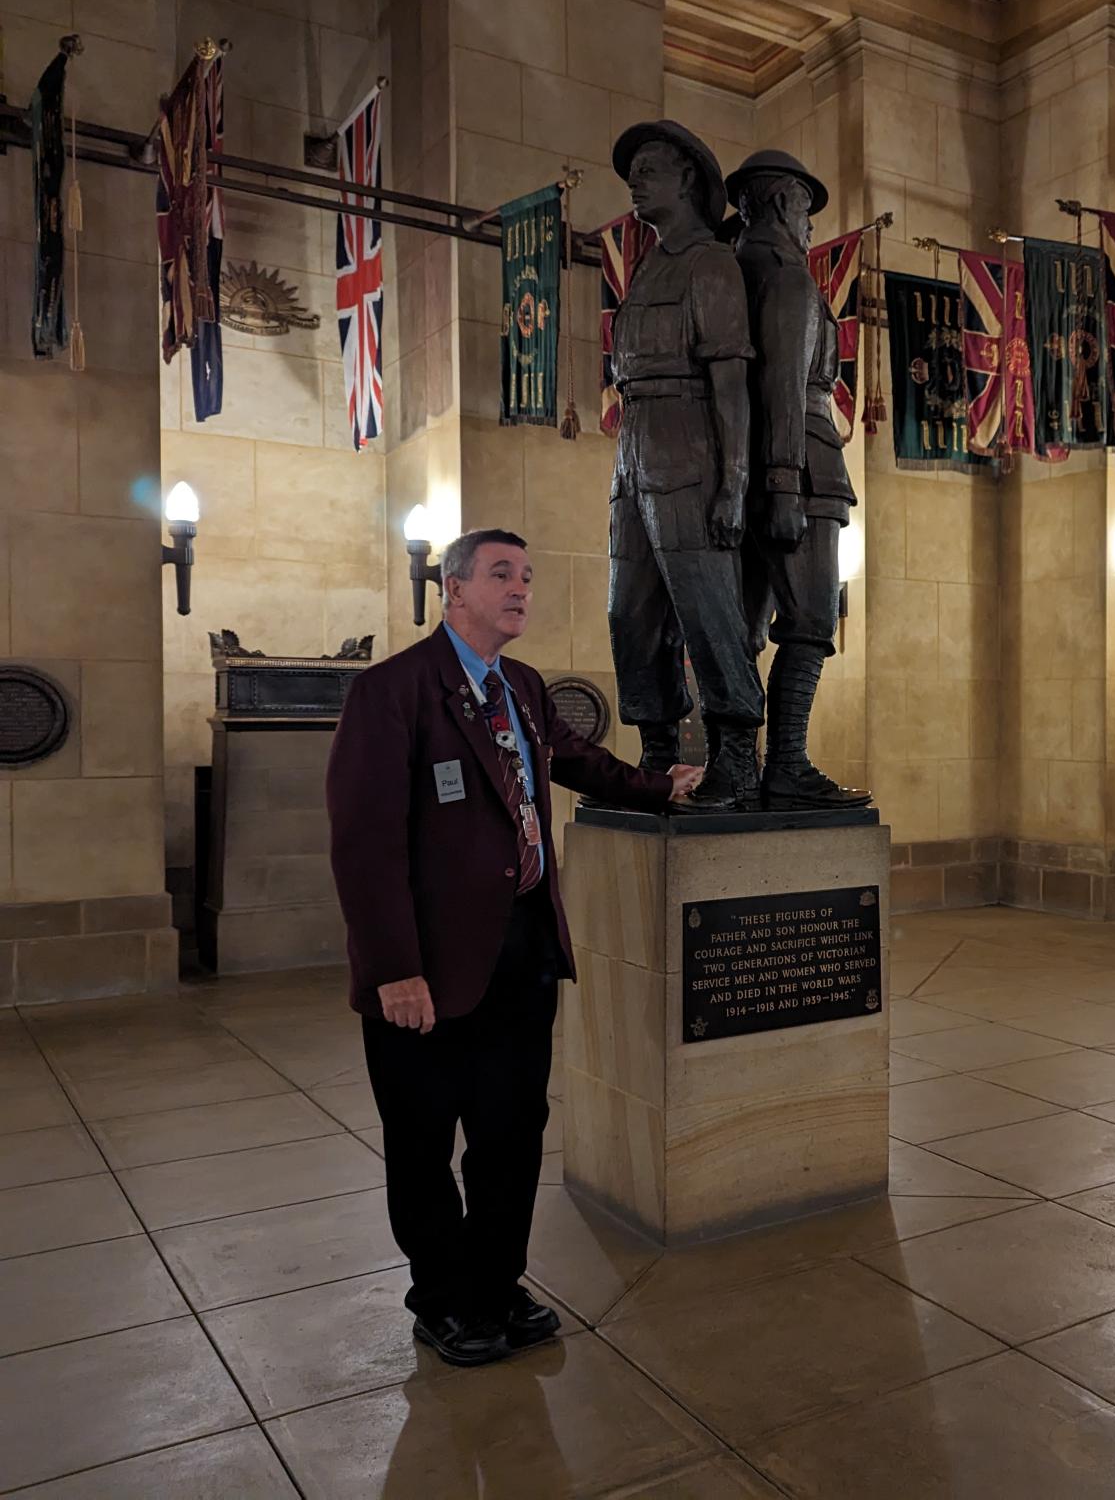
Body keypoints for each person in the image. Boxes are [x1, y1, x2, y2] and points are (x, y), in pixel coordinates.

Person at [326, 529, 700, 1367]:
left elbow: (577, 762)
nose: (521, 588)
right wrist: (394, 969)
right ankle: (442, 1296)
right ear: (453, 591)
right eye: (501, 574)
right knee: (424, 1140)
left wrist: (660, 787)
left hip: (523, 951)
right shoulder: (392, 693)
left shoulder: (522, 686)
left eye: (527, 576)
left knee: (510, 1132)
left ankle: (495, 1283)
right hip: (426, 966)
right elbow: (365, 843)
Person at [606, 118, 765, 809]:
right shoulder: (647, 266)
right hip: (633, 443)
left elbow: (731, 384)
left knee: (706, 605)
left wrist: (734, 483)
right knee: (629, 612)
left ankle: (736, 754)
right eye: (633, 172)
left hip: (689, 440)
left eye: (648, 169)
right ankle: (657, 754)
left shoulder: (711, 262)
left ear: (687, 179)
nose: (635, 182)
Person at [727, 148, 869, 810]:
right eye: (807, 211)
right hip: (803, 466)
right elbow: (782, 379)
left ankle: (740, 766)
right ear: (785, 202)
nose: (810, 227)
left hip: (763, 466)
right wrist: (784, 481)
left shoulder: (738, 268)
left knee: (750, 629)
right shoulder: (785, 275)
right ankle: (784, 763)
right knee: (810, 620)